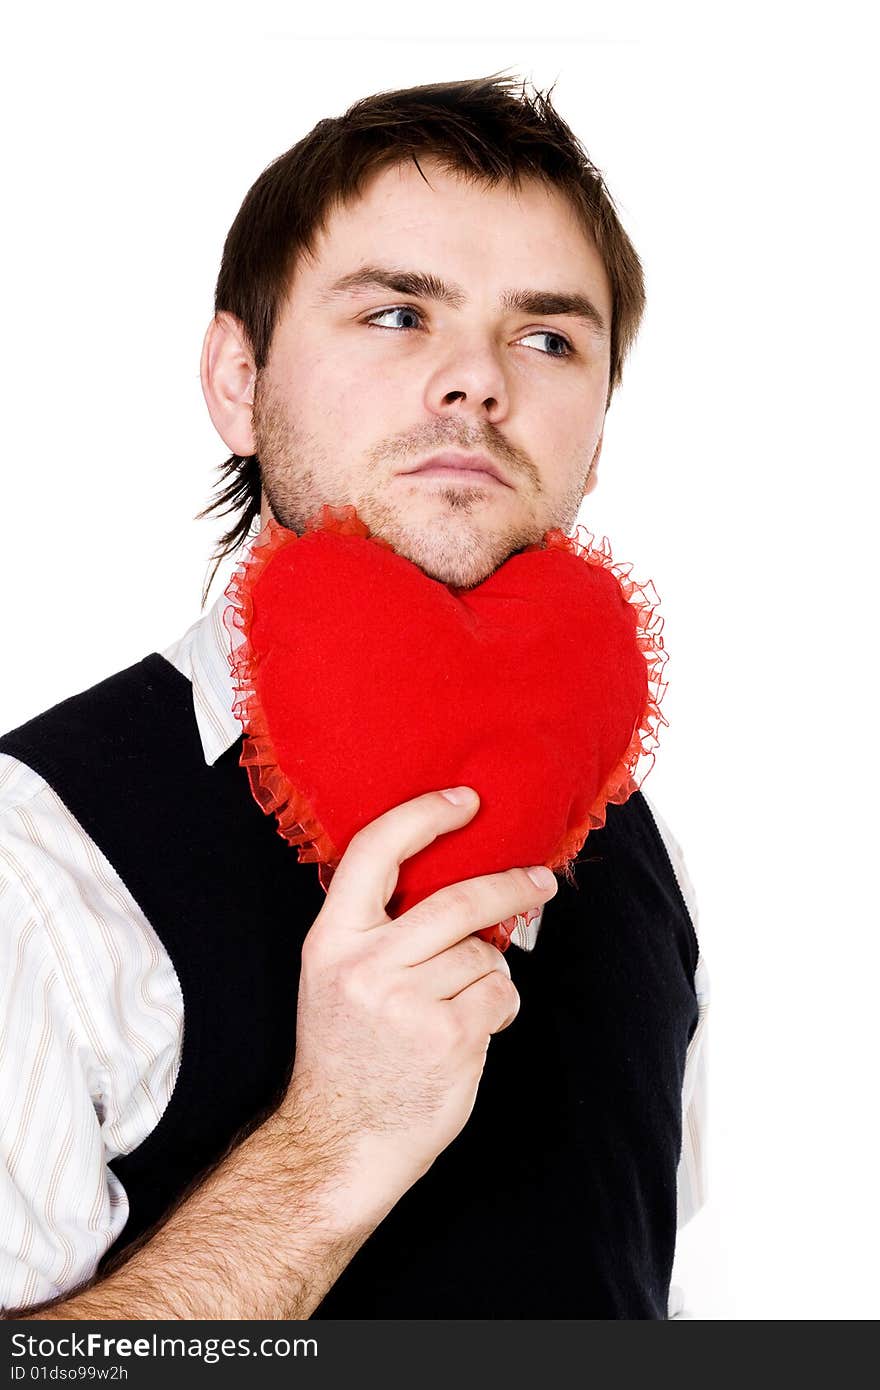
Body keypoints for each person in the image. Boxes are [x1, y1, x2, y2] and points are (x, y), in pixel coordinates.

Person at [0, 73, 709, 1320]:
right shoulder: (34, 857)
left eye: (547, 337)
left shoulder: (641, 846)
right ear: (237, 378)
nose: (476, 383)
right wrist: (333, 1148)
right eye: (395, 315)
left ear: (597, 433)